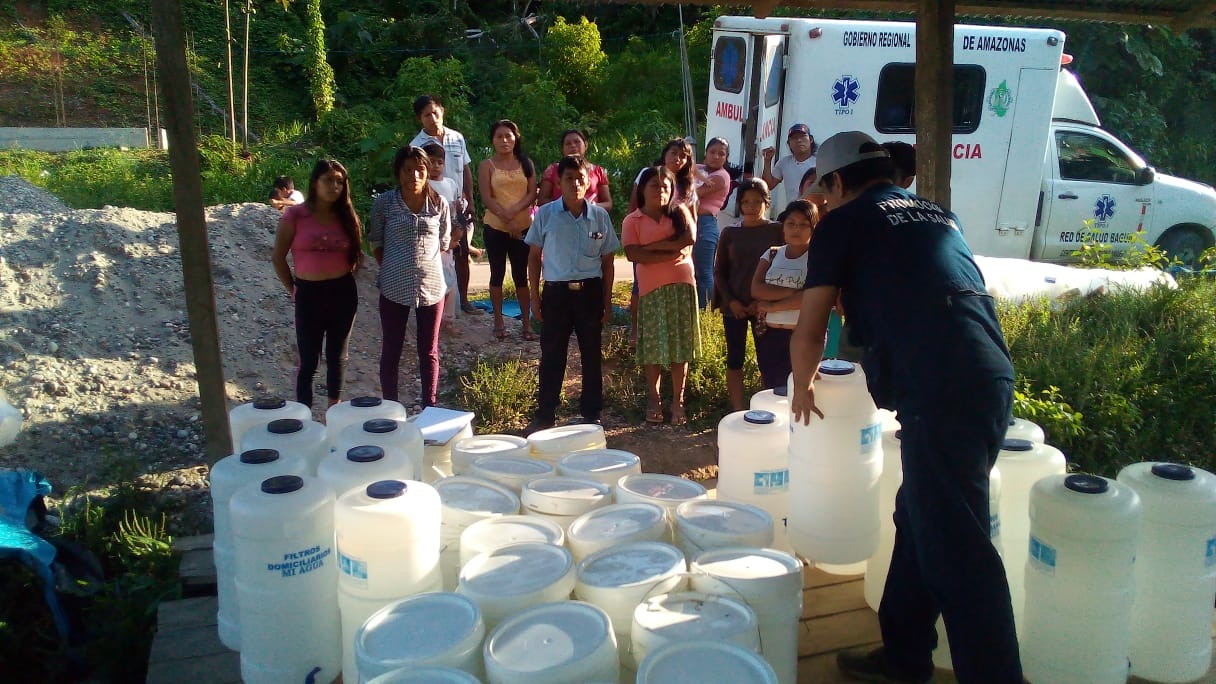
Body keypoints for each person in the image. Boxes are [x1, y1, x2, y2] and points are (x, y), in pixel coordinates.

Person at [788, 132, 1021, 683]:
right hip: (986, 373)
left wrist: (803, 385)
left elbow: (811, 326)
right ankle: (905, 654)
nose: (822, 204)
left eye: (823, 194)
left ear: (837, 183)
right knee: (920, 518)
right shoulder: (939, 215)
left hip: (940, 387)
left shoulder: (842, 224)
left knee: (959, 554)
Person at [525, 155, 619, 432]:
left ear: (589, 181)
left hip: (590, 292)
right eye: (569, 179)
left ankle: (591, 414)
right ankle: (545, 415)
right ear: (558, 181)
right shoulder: (546, 214)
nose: (575, 184)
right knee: (552, 354)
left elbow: (608, 262)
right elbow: (533, 257)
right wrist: (534, 296)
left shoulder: (599, 216)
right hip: (556, 293)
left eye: (581, 178)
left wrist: (607, 299)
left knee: (591, 354)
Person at [271, 159, 361, 409]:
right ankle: (304, 418)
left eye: (340, 181)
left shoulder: (346, 215)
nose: (334, 186)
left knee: (338, 357)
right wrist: (293, 288)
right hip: (308, 293)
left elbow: (356, 256)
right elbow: (278, 257)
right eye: (328, 180)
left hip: (342, 292)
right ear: (315, 182)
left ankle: (334, 412)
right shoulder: (295, 215)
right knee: (309, 361)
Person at [368, 146, 451, 407]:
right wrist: (394, 266)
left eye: (420, 169)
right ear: (398, 172)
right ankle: (391, 408)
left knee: (429, 351)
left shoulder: (439, 203)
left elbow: (444, 242)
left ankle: (430, 407)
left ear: (427, 172)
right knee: (392, 349)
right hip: (393, 287)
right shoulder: (384, 203)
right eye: (407, 170)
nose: (414, 175)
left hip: (432, 287)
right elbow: (376, 242)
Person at [622, 167, 700, 425]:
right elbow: (634, 254)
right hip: (651, 290)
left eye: (666, 185)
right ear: (642, 189)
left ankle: (678, 402)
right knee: (653, 349)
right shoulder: (632, 221)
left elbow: (689, 238)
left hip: (681, 286)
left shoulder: (680, 212)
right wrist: (671, 249)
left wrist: (653, 249)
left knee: (680, 348)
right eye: (654, 185)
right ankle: (654, 400)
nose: (661, 190)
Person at [712, 178, 785, 410]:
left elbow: (782, 268)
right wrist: (731, 301)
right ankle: (737, 410)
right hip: (734, 307)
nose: (751, 207)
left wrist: (762, 301)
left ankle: (768, 410)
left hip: (765, 306)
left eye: (757, 201)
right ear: (739, 204)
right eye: (745, 202)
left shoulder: (778, 231)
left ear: (766, 202)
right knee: (735, 359)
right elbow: (719, 272)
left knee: (768, 359)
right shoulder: (730, 233)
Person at [410, 95, 479, 314]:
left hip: (456, 203)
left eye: (435, 113)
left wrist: (470, 199)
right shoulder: (416, 145)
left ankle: (463, 301)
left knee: (462, 252)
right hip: (430, 208)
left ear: (442, 112)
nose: (432, 118)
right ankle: (432, 302)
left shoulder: (457, 138)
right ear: (420, 119)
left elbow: (465, 169)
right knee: (434, 254)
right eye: (426, 115)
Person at [478, 119, 538, 341]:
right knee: (497, 274)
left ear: (516, 138)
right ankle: (499, 322)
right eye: (499, 136)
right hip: (495, 226)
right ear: (493, 141)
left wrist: (514, 215)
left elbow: (532, 193)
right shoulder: (487, 165)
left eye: (508, 136)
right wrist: (507, 218)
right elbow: (487, 197)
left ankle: (527, 323)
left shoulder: (526, 163)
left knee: (522, 276)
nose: (504, 140)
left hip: (522, 226)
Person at [749, 199, 818, 390]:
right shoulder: (772, 254)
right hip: (769, 334)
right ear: (783, 227)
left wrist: (772, 305)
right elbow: (756, 288)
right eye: (791, 224)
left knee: (801, 390)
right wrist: (794, 293)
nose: (797, 229)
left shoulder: (817, 257)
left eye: (804, 224)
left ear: (813, 228)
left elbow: (812, 298)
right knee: (773, 390)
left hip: (803, 335)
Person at [693, 137, 732, 308]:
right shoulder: (699, 169)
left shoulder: (721, 177)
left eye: (721, 154)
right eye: (712, 152)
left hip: (704, 225)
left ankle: (706, 313)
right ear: (705, 153)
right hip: (688, 222)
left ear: (726, 158)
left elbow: (692, 194)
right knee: (691, 271)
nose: (716, 156)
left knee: (704, 272)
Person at [537, 129, 613, 211]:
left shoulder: (598, 171)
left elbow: (608, 203)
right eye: (568, 143)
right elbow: (542, 200)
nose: (573, 145)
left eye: (577, 142)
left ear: (586, 145)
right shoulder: (552, 170)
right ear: (562, 149)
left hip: (591, 218)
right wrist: (563, 208)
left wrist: (592, 206)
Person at [762, 123, 817, 203]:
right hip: (793, 211)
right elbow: (768, 185)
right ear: (789, 144)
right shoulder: (784, 163)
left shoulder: (820, 162)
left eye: (802, 136)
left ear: (811, 139)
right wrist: (767, 161)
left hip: (816, 211)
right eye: (794, 138)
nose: (799, 140)